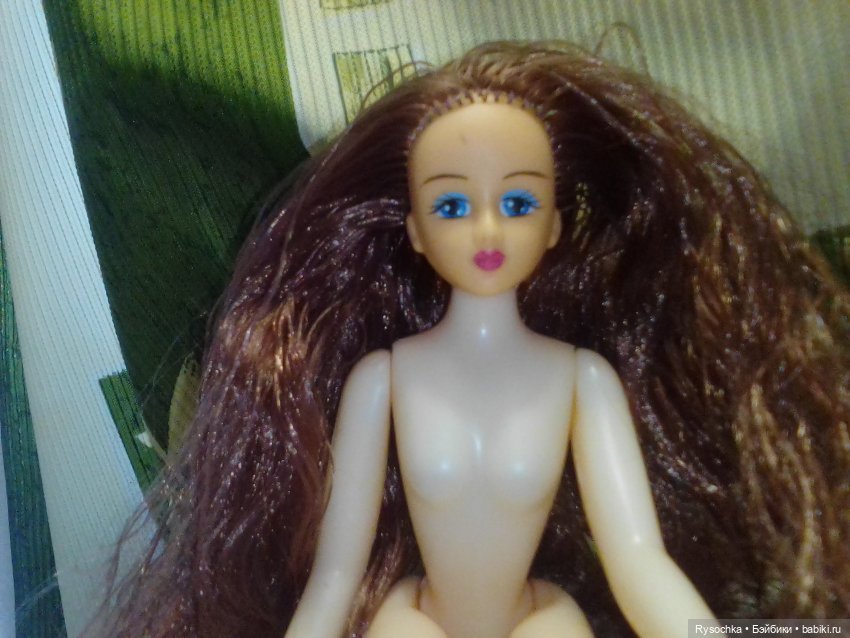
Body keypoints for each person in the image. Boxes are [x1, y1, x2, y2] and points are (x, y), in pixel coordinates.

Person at [96, 42, 850, 637]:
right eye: (453, 206)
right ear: (417, 232)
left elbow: (640, 562)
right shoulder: (386, 380)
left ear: (552, 227)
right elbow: (335, 576)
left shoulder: (580, 381)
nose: (487, 230)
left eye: (516, 202)